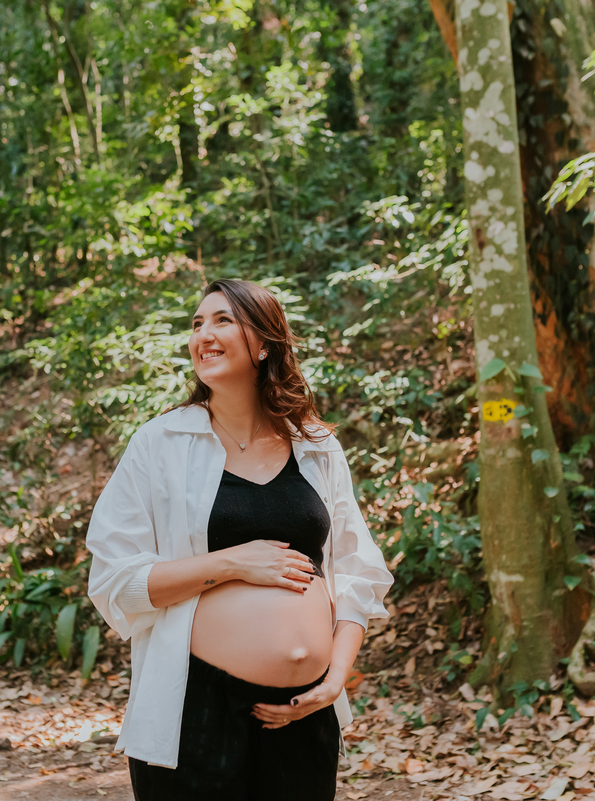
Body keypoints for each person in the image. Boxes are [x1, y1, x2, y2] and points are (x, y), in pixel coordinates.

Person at [87, 278, 394, 801]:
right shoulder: (159, 444)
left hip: (305, 711)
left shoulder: (316, 446)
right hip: (195, 706)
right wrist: (232, 563)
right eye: (196, 324)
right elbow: (116, 581)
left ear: (265, 341)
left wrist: (335, 676)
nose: (203, 333)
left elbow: (358, 570)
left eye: (222, 320)